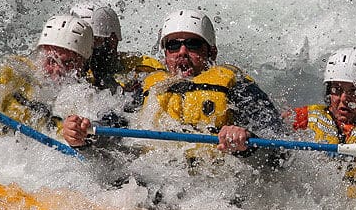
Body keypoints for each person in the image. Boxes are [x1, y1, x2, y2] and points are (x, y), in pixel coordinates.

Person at [63, 9, 282, 160]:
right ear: (166, 54)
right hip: (161, 179)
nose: (182, 52)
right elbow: (116, 125)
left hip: (217, 187)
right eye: (173, 46)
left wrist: (247, 141)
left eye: (193, 44)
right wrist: (85, 133)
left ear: (211, 52)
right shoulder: (147, 87)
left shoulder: (237, 87)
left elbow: (278, 144)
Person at [286, 47, 356, 197]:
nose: (344, 99)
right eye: (336, 90)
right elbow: (270, 127)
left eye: (353, 91)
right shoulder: (306, 118)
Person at [0, 14, 94, 133]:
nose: (57, 69)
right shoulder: (13, 71)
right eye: (51, 61)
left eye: (67, 63)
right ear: (40, 55)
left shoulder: (89, 92)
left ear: (83, 63)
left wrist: (76, 134)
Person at [70, 3, 164, 93]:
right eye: (79, 42)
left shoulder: (144, 69)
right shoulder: (68, 68)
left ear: (112, 40)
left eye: (93, 41)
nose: (85, 48)